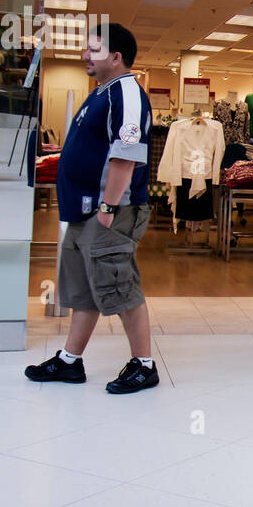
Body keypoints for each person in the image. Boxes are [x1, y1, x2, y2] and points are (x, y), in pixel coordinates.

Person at [26, 22, 159, 394]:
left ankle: (144, 365)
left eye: (93, 50)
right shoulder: (102, 92)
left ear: (116, 58)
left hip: (112, 211)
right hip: (86, 211)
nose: (86, 55)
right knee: (84, 287)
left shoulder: (127, 93)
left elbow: (126, 155)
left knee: (120, 285)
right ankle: (70, 360)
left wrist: (107, 205)